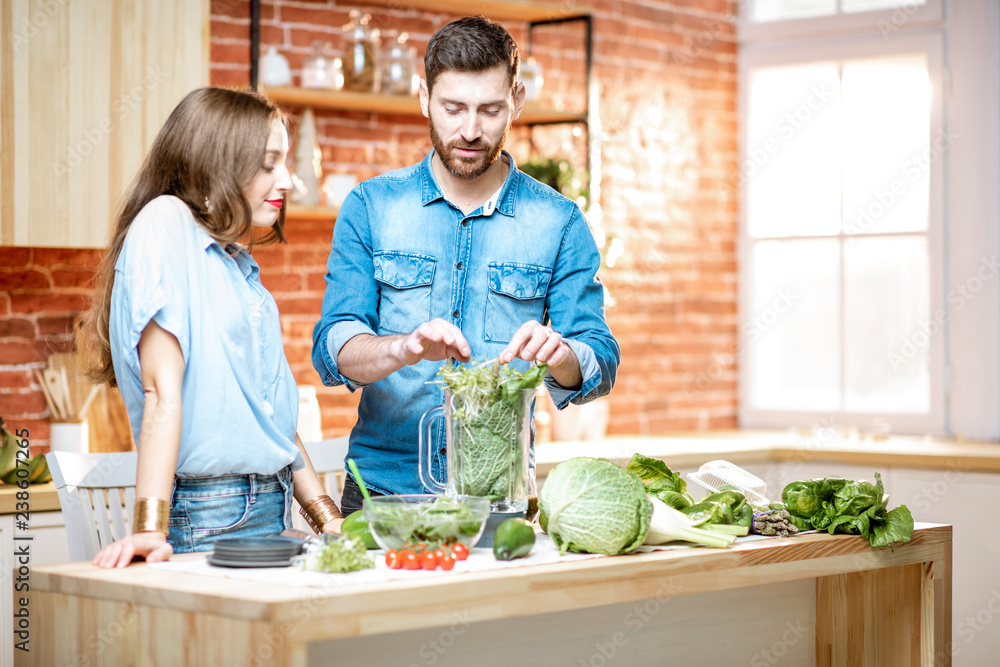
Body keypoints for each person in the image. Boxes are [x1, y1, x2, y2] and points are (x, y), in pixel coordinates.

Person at [312, 16, 620, 514]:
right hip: (380, 497)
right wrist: (403, 347)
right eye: (453, 108)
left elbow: (600, 358)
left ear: (516, 100)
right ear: (423, 97)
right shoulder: (371, 206)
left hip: (499, 502)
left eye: (490, 110)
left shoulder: (559, 221)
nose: (471, 131)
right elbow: (333, 347)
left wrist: (560, 353)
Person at [89, 87, 343, 568]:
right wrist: (148, 531)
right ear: (215, 163)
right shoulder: (163, 223)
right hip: (209, 513)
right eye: (268, 163)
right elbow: (161, 393)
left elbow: (273, 420)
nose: (286, 179)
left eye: (284, 162)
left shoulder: (234, 263)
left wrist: (328, 519)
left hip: (271, 502)